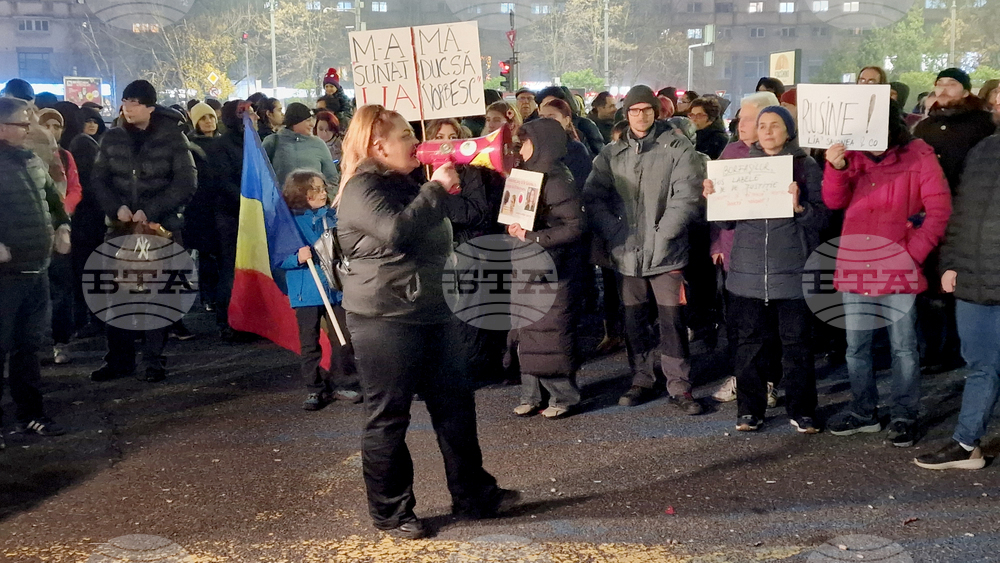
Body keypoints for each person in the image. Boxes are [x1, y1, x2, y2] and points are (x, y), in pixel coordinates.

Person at [335, 104, 518, 538]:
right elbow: (398, 231)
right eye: (404, 136)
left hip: (432, 308)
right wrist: (435, 189)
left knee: (456, 407)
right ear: (378, 146)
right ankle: (392, 513)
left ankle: (474, 494)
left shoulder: (406, 180)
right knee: (389, 417)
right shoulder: (363, 187)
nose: (416, 143)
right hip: (385, 317)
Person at [823, 102, 952, 447]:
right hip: (857, 261)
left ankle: (903, 415)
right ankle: (864, 412)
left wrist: (912, 252)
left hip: (897, 264)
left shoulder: (918, 154)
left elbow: (939, 209)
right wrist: (835, 168)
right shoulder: (849, 154)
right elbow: (834, 202)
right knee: (856, 347)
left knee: (904, 347)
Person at [703, 106, 826, 432]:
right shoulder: (738, 167)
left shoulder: (805, 165)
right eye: (763, 126)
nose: (768, 131)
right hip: (746, 272)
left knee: (797, 346)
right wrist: (713, 199)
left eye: (776, 125)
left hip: (792, 270)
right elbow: (726, 221)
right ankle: (749, 410)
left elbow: (822, 219)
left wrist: (800, 208)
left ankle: (803, 411)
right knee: (748, 345)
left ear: (788, 131)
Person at [583, 85, 705, 414]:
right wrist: (614, 230)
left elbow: (687, 194)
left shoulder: (677, 147)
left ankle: (679, 384)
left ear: (656, 112)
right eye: (634, 110)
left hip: (666, 253)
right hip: (627, 254)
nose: (640, 115)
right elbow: (593, 196)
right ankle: (640, 378)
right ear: (627, 114)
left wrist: (664, 233)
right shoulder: (612, 153)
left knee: (672, 320)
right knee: (634, 320)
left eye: (646, 109)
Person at [89, 80, 197, 383]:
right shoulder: (112, 138)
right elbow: (99, 180)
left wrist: (151, 210)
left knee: (156, 296)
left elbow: (186, 183)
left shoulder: (173, 138)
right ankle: (119, 359)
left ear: (150, 106)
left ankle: (153, 360)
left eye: (134, 102)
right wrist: (116, 208)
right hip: (120, 230)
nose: (128, 107)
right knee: (114, 295)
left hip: (159, 229)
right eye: (125, 101)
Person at [914, 134, 1000, 470]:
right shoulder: (983, 147)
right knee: (981, 366)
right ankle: (967, 444)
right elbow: (960, 211)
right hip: (974, 278)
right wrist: (950, 261)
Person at [913, 68, 996, 376]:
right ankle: (933, 349)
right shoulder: (925, 128)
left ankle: (958, 349)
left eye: (951, 84)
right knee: (931, 285)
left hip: (967, 215)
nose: (944, 89)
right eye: (939, 84)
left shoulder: (982, 126)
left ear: (965, 91)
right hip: (930, 216)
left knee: (957, 283)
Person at [0, 96, 70, 442]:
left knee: (29, 348)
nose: (29, 129)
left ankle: (31, 414)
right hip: (5, 277)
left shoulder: (31, 160)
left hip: (36, 268)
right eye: (21, 123)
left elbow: (55, 201)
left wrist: (62, 227)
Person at [509, 118, 587, 419]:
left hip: (553, 265)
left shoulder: (556, 178)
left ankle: (563, 396)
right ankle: (531, 394)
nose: (520, 148)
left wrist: (535, 237)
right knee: (525, 330)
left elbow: (575, 225)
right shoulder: (525, 174)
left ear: (540, 144)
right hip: (527, 263)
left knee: (551, 331)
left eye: (525, 143)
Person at [708, 92, 781, 404]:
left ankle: (768, 380)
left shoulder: (782, 157)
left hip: (769, 257)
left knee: (769, 325)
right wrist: (716, 242)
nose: (742, 123)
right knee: (738, 323)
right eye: (740, 117)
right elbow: (718, 205)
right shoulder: (731, 152)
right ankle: (742, 376)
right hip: (733, 254)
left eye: (749, 119)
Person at [278, 170, 360, 410]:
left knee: (343, 336)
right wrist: (296, 258)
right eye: (315, 189)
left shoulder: (331, 216)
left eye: (323, 188)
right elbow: (278, 257)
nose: (322, 193)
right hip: (306, 291)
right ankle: (314, 388)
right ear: (300, 193)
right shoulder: (288, 223)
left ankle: (344, 380)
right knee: (309, 341)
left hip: (335, 287)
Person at [37, 109, 82, 364]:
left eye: (58, 125)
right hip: (32, 232)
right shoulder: (25, 157)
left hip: (60, 230)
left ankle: (61, 340)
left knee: (62, 289)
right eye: (48, 125)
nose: (53, 131)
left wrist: (63, 211)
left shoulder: (64, 157)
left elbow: (75, 188)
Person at [68, 106, 108, 338]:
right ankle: (93, 319)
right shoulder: (84, 144)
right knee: (90, 269)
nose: (92, 125)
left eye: (96, 121)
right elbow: (92, 184)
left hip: (85, 219)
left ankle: (87, 318)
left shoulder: (90, 143)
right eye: (87, 121)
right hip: (88, 219)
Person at [262, 102, 339, 189]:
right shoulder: (273, 142)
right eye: (307, 121)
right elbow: (261, 174)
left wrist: (325, 197)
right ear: (295, 122)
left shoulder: (319, 144)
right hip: (281, 201)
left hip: (313, 201)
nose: (312, 124)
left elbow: (332, 178)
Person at [537, 99, 593, 192]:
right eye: (542, 117)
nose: (545, 122)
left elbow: (580, 185)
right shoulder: (535, 148)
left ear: (566, 120)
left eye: (551, 117)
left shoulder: (576, 150)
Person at [535, 86, 605, 156]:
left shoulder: (584, 126)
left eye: (555, 103)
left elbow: (601, 156)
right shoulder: (533, 132)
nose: (551, 107)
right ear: (539, 109)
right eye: (546, 105)